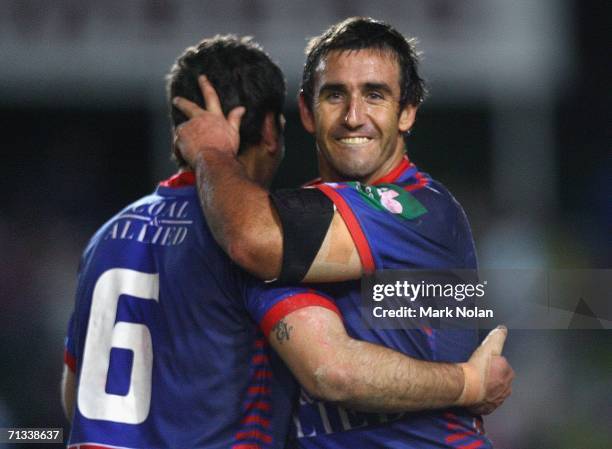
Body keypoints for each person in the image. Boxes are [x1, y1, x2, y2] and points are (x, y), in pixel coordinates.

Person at [175, 18, 512, 448]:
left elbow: (252, 240)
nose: (354, 117)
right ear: (306, 111)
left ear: (407, 111)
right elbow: (328, 366)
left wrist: (211, 151)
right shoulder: (294, 231)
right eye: (335, 95)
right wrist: (467, 382)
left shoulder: (422, 209)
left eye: (375, 95)